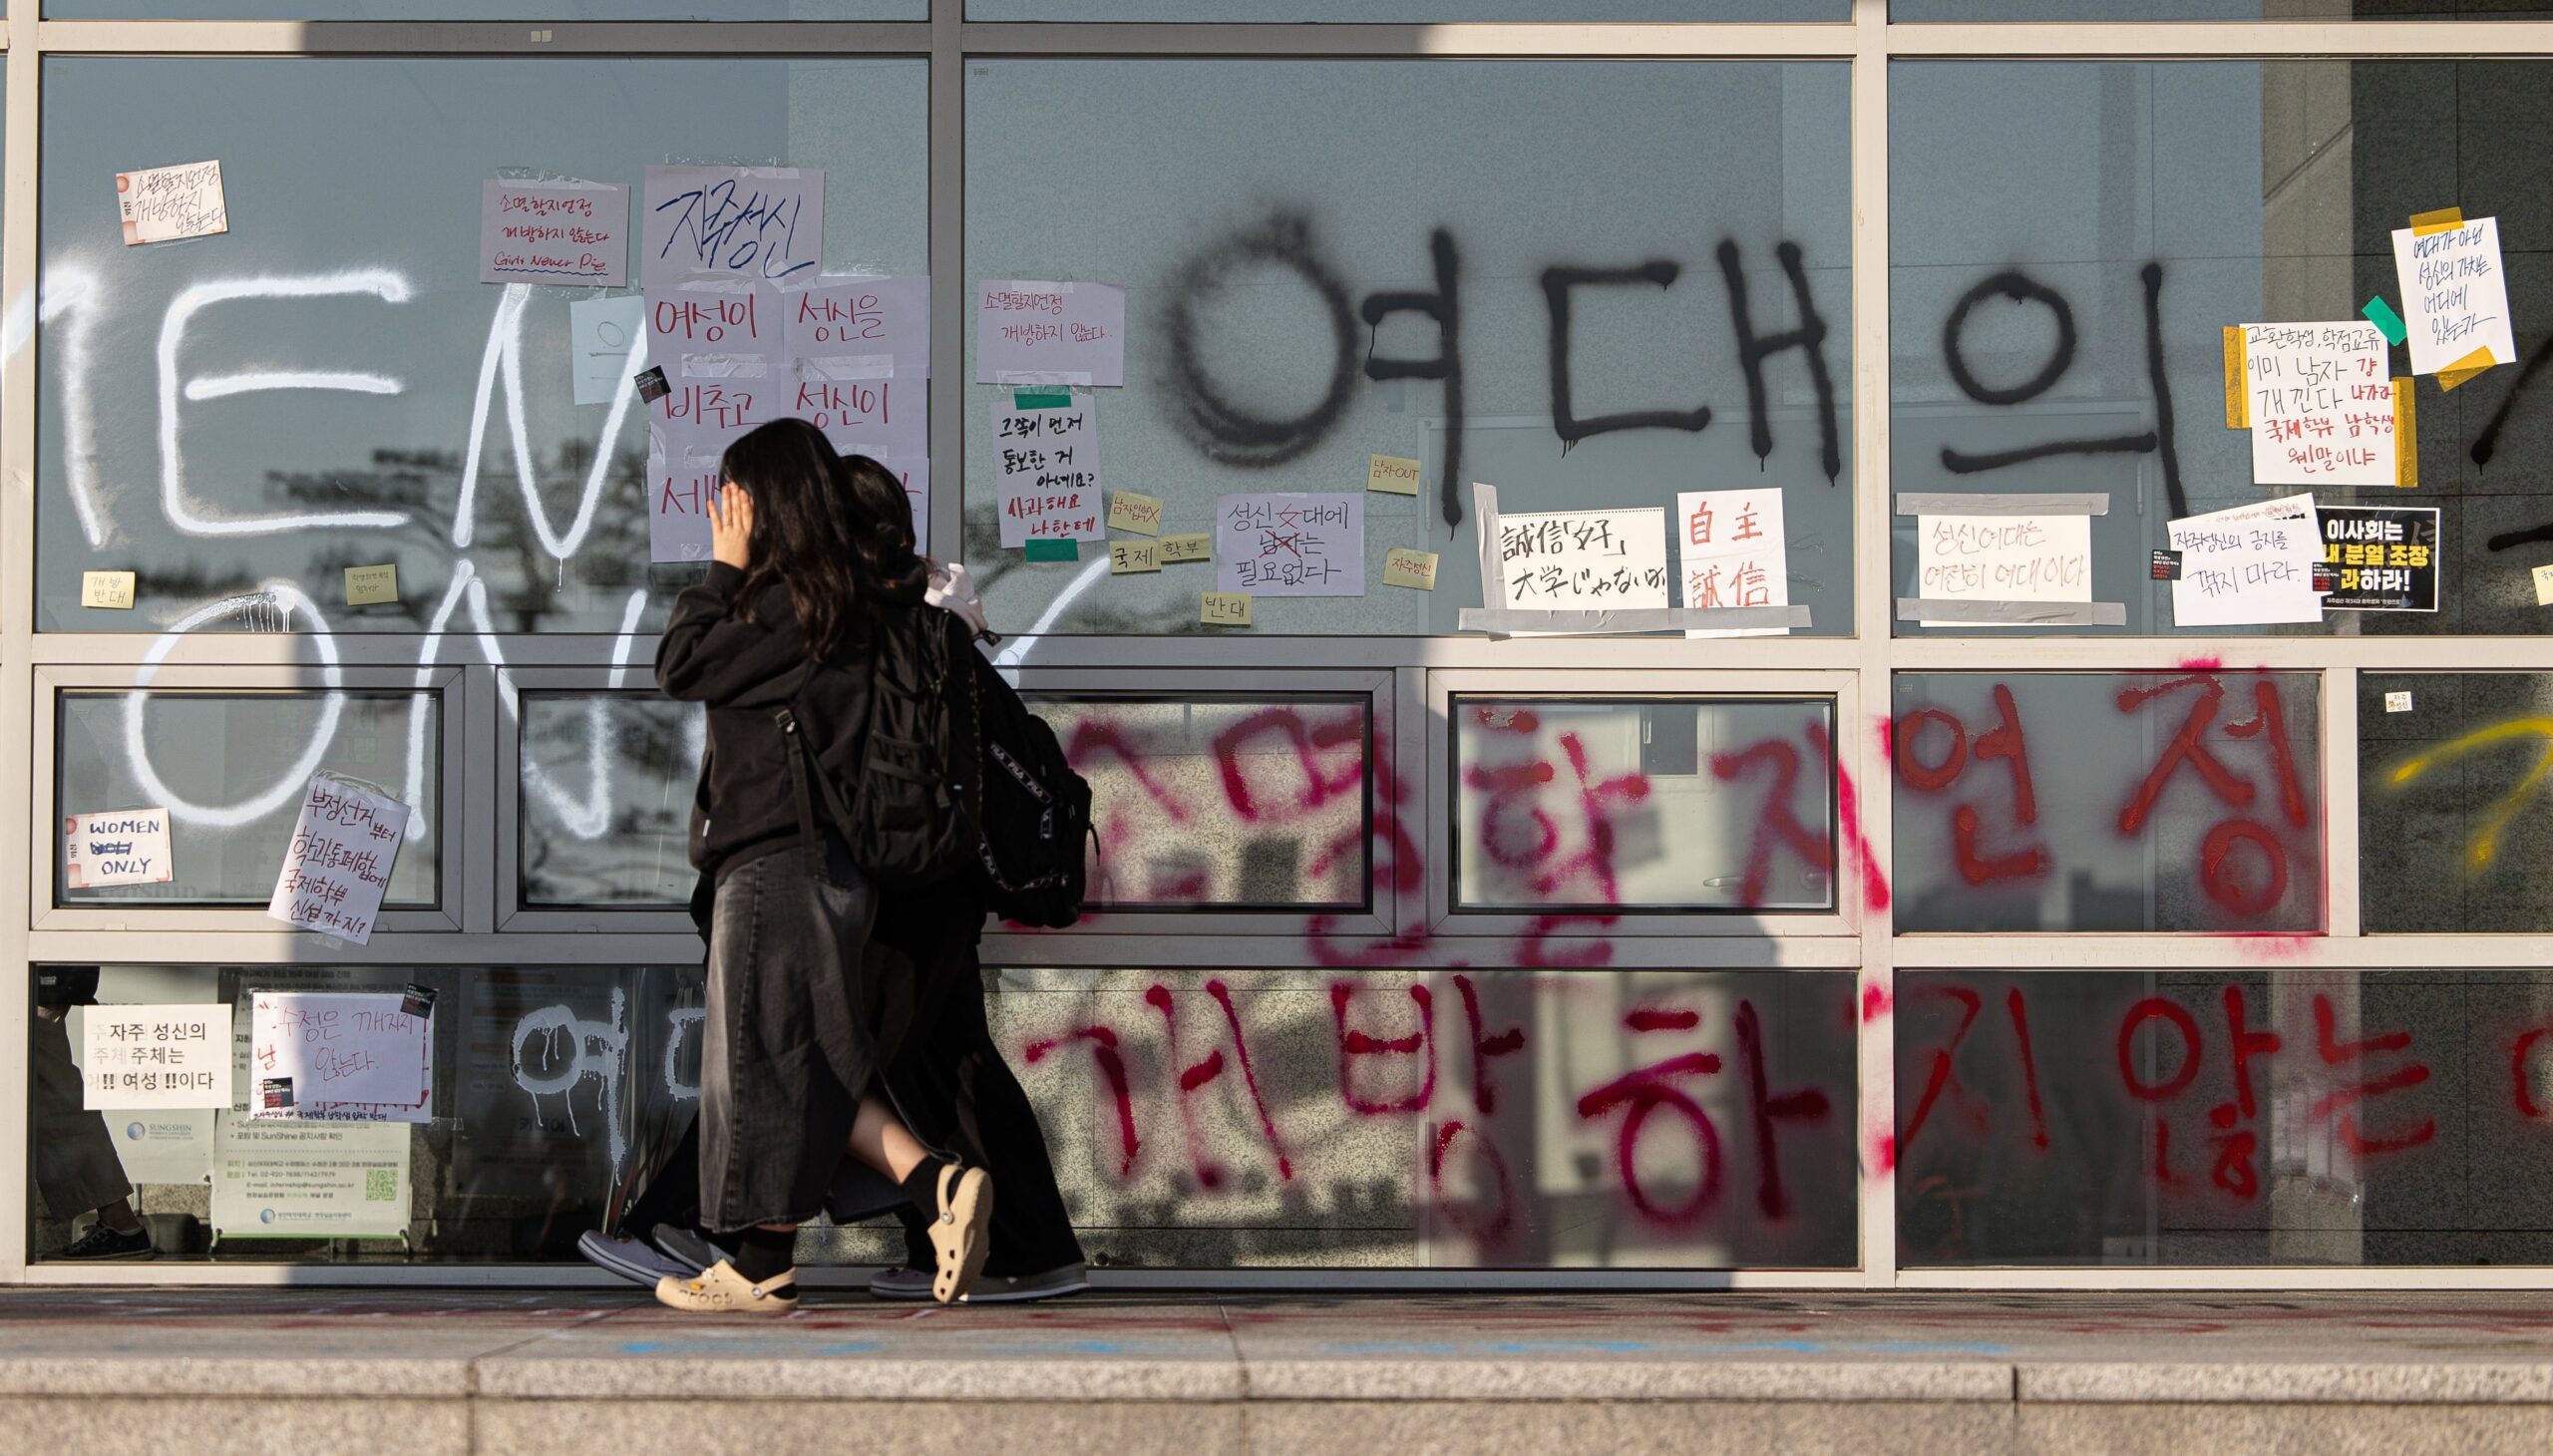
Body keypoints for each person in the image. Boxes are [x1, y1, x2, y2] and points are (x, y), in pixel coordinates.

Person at [651, 418, 992, 1312]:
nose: (726, 513)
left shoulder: (784, 609)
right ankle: (827, 1236)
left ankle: (818, 1238)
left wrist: (723, 569)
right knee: (806, 1064)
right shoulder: (849, 608)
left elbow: (680, 663)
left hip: (774, 863)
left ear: (768, 502)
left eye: (737, 497)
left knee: (767, 1064)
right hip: (832, 869)